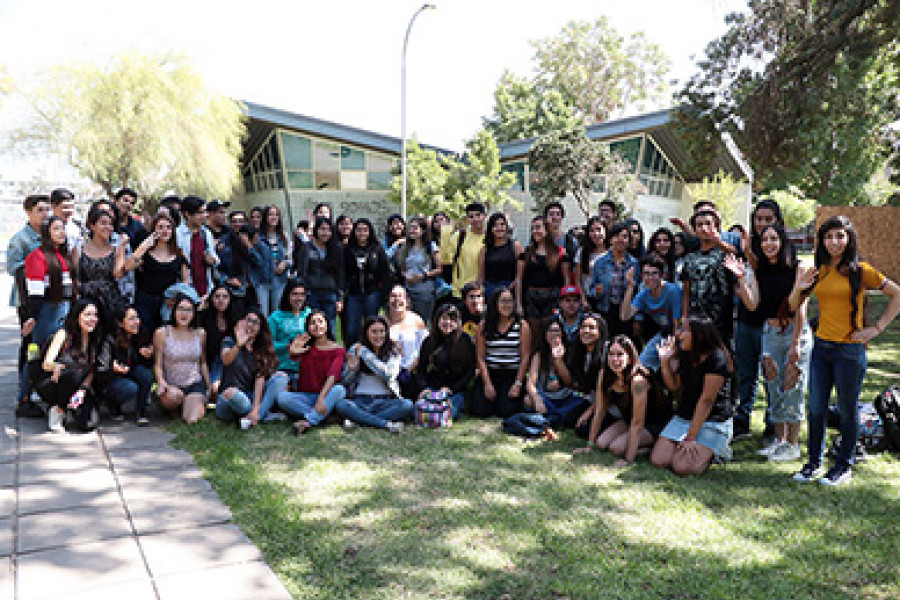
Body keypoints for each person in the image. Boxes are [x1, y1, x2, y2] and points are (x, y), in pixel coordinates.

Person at [788, 216, 900, 485]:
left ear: (849, 239)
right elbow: (793, 306)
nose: (834, 242)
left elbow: (898, 294)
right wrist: (798, 287)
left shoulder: (861, 270)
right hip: (821, 348)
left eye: (840, 236)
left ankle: (843, 466)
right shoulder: (818, 271)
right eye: (829, 237)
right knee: (816, 408)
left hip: (849, 351)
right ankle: (813, 463)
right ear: (822, 241)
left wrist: (876, 329)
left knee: (848, 410)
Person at [738, 224, 811, 461]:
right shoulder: (759, 270)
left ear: (783, 241)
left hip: (793, 331)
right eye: (764, 240)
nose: (768, 244)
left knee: (793, 385)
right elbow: (752, 305)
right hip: (769, 331)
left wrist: (795, 343)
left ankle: (793, 443)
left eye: (773, 239)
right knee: (773, 386)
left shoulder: (798, 268)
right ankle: (780, 441)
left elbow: (800, 308)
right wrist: (741, 280)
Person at [733, 199, 790, 441]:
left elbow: (763, 270)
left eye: (768, 219)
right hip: (746, 320)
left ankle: (772, 424)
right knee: (746, 375)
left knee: (771, 376)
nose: (762, 224)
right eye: (758, 219)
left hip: (771, 324)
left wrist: (747, 252)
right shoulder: (746, 244)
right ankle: (742, 420)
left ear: (778, 221)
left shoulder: (778, 247)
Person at [651, 316, 736, 475]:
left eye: (683, 330)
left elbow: (707, 400)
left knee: (682, 468)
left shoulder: (717, 358)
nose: (678, 334)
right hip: (686, 415)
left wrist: (691, 437)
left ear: (700, 335)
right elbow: (674, 387)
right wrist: (665, 363)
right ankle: (697, 450)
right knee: (659, 460)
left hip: (712, 419)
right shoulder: (685, 354)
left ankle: (719, 451)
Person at [574, 335, 671, 465]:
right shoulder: (604, 374)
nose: (615, 359)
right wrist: (589, 446)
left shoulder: (638, 381)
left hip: (652, 423)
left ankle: (650, 449)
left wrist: (627, 459)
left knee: (616, 448)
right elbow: (600, 411)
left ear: (629, 358)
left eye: (620, 354)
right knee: (601, 443)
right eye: (611, 354)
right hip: (628, 421)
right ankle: (634, 445)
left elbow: (638, 422)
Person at [21, 217, 76, 408]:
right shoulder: (37, 256)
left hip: (64, 308)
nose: (62, 232)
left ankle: (49, 393)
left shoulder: (63, 254)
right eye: (56, 229)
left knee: (57, 354)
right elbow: (35, 292)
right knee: (37, 354)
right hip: (46, 311)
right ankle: (25, 397)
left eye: (63, 228)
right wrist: (32, 317)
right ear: (47, 232)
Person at [8, 194, 50, 416]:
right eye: (39, 210)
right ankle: (24, 393)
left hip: (46, 300)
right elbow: (13, 267)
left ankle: (39, 385)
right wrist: (35, 265)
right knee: (30, 345)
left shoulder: (49, 235)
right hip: (27, 301)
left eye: (46, 210)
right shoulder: (21, 239)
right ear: (28, 212)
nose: (44, 214)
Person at [337, 315, 414, 432]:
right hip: (360, 400)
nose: (379, 336)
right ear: (366, 333)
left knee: (407, 405)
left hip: (385, 400)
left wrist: (365, 354)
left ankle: (359, 420)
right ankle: (386, 424)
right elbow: (345, 381)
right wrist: (351, 370)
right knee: (341, 404)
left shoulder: (393, 349)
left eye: (382, 331)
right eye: (374, 332)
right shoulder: (356, 348)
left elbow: (389, 375)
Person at [276, 310, 347, 434]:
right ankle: (324, 416)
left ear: (327, 325)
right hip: (306, 396)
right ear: (308, 327)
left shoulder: (338, 350)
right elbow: (291, 360)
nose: (317, 325)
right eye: (312, 323)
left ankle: (309, 421)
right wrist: (293, 350)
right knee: (282, 398)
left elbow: (332, 376)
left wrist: (321, 399)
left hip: (327, 395)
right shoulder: (305, 346)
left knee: (339, 389)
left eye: (320, 321)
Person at [41, 299, 102, 432]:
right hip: (57, 382)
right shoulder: (64, 334)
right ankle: (58, 409)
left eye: (95, 315)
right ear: (77, 316)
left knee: (89, 424)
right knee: (73, 374)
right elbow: (46, 363)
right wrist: (57, 366)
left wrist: (83, 390)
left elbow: (93, 369)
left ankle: (72, 409)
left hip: (80, 386)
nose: (92, 319)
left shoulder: (95, 338)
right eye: (88, 315)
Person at [679, 209, 739, 344]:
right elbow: (686, 291)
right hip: (695, 319)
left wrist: (718, 241)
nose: (704, 228)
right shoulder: (690, 258)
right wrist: (684, 318)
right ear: (695, 230)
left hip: (721, 320)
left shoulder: (725, 253)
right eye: (699, 225)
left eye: (708, 224)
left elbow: (735, 253)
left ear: (716, 226)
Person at [216, 308, 282, 426]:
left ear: (260, 328)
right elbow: (226, 360)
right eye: (248, 320)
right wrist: (238, 345)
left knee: (281, 377)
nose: (251, 325)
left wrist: (256, 408)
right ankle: (261, 414)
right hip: (229, 398)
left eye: (255, 322)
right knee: (234, 395)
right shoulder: (229, 341)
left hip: (250, 396)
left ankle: (256, 415)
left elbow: (259, 380)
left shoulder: (261, 349)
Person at [472, 287, 531, 418]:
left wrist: (518, 383)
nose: (507, 305)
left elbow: (525, 357)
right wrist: (487, 383)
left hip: (511, 374)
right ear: (495, 303)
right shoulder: (484, 326)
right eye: (503, 301)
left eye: (510, 301)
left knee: (507, 411)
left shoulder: (522, 325)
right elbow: (480, 357)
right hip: (490, 372)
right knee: (480, 410)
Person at [520, 319, 587, 436]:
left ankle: (552, 418)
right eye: (550, 331)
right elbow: (530, 383)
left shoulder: (569, 353)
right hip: (546, 398)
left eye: (557, 331)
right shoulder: (539, 355)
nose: (554, 334)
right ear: (545, 334)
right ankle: (557, 418)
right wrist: (537, 400)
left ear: (562, 334)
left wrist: (558, 360)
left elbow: (569, 382)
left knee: (582, 403)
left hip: (566, 399)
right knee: (528, 400)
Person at [153, 293, 210, 424]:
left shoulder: (200, 333)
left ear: (194, 313)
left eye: (189, 310)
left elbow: (203, 362)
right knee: (173, 397)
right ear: (174, 311)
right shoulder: (162, 333)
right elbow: (158, 364)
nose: (184, 314)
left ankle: (189, 405)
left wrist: (208, 387)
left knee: (192, 420)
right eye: (181, 309)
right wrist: (161, 382)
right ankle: (175, 407)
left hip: (194, 383)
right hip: (172, 385)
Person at [620, 254, 683, 371]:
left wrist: (675, 352)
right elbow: (625, 316)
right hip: (665, 334)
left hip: (681, 335)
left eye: (654, 273)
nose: (650, 278)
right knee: (641, 365)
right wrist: (630, 286)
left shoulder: (673, 291)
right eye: (646, 274)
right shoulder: (644, 294)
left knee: (674, 368)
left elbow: (677, 325)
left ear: (662, 275)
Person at [415, 303, 476, 420]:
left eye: (452, 319)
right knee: (420, 411)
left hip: (455, 391)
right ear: (437, 320)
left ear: (458, 322)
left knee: (448, 413)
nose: (447, 322)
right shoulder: (429, 341)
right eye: (444, 318)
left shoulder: (465, 341)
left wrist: (452, 388)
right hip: (432, 388)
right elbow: (420, 369)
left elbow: (470, 371)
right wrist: (424, 388)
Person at [95, 305, 154, 425]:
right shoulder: (109, 340)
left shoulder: (141, 333)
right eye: (131, 319)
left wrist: (148, 356)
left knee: (145, 375)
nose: (137, 322)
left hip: (131, 371)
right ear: (120, 323)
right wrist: (113, 369)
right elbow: (101, 370)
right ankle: (113, 405)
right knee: (130, 387)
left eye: (137, 318)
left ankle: (141, 411)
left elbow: (146, 364)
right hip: (111, 379)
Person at [515, 216, 570, 337]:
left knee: (550, 333)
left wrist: (565, 301)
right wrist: (518, 304)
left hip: (553, 296)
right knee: (533, 334)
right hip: (532, 297)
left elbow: (566, 279)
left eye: (538, 227)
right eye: (532, 228)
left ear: (547, 229)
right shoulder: (526, 253)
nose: (535, 231)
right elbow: (519, 279)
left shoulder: (560, 252)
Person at [134, 213, 190, 334]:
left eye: (168, 227)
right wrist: (143, 247)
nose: (165, 231)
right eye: (160, 227)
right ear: (154, 230)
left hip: (168, 301)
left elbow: (186, 280)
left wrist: (178, 297)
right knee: (144, 334)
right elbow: (128, 267)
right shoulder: (146, 252)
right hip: (146, 300)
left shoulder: (179, 253)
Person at [74, 206, 128, 323]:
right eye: (103, 223)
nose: (108, 227)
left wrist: (122, 246)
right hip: (87, 301)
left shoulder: (115, 250)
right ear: (92, 226)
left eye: (110, 224)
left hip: (110, 302)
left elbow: (118, 274)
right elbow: (75, 277)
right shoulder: (79, 249)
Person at [343, 218, 390, 347]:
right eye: (359, 230)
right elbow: (343, 271)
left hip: (372, 293)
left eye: (365, 230)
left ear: (370, 232)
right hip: (354, 293)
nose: (362, 233)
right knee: (352, 328)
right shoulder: (348, 249)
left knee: (371, 325)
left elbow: (385, 272)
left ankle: (371, 350)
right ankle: (352, 352)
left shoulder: (377, 249)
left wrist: (385, 293)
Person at [294, 217, 344, 329]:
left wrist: (340, 298)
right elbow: (302, 271)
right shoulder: (307, 248)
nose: (325, 233)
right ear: (316, 230)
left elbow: (340, 274)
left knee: (330, 328)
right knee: (313, 327)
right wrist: (302, 292)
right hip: (312, 293)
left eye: (328, 230)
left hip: (330, 293)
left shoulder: (336, 248)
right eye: (322, 229)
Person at [590, 222, 639, 338]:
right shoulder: (600, 262)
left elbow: (638, 292)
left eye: (624, 236)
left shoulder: (634, 263)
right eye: (616, 236)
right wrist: (597, 292)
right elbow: (591, 289)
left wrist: (638, 318)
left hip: (626, 311)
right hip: (605, 310)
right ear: (610, 239)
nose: (620, 240)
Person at [569, 313, 608, 437]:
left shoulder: (607, 352)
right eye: (583, 327)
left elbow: (608, 393)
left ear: (600, 331)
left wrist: (589, 412)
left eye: (591, 328)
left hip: (608, 402)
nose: (586, 331)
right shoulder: (581, 351)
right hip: (592, 399)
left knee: (583, 430)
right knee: (569, 419)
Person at [395, 216, 441, 322]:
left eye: (415, 228)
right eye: (410, 228)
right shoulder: (406, 247)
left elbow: (439, 269)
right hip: (408, 291)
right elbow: (402, 268)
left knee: (422, 322)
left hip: (425, 292)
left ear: (423, 230)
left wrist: (422, 276)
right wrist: (406, 275)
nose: (412, 231)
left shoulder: (431, 246)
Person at [387, 285, 428, 400]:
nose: (397, 300)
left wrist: (411, 366)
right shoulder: (382, 321)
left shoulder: (416, 320)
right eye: (393, 296)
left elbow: (425, 346)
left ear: (407, 301)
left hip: (412, 370)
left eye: (400, 296)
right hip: (389, 371)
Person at [268, 280, 313, 383]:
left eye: (302, 294)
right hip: (282, 368)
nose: (299, 298)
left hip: (306, 367)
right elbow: (267, 344)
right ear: (287, 295)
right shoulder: (275, 317)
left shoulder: (309, 313)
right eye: (295, 294)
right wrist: (288, 345)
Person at [440, 202, 486, 300]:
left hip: (482, 292)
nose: (475, 219)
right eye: (471, 216)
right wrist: (445, 233)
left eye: (478, 215)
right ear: (467, 219)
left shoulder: (489, 238)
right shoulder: (460, 236)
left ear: (484, 216)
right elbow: (445, 260)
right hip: (460, 291)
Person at [198, 284, 236, 400]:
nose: (221, 300)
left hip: (230, 361)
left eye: (225, 297)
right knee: (214, 389)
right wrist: (199, 309)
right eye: (217, 296)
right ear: (211, 299)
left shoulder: (236, 318)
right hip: (209, 361)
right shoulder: (204, 317)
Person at [175, 196, 218, 298]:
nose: (204, 216)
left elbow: (214, 258)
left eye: (205, 212)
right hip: (185, 289)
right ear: (187, 214)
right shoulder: (177, 234)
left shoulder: (206, 233)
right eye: (200, 213)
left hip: (207, 288)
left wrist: (212, 260)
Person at [478, 212, 523, 302]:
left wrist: (512, 288)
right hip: (489, 290)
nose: (499, 228)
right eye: (495, 225)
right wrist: (481, 291)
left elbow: (520, 276)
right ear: (491, 229)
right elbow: (481, 275)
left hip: (509, 290)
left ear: (506, 227)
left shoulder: (516, 246)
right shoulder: (485, 249)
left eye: (502, 224)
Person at [256, 205, 291, 315]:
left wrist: (285, 263)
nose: (274, 217)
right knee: (263, 313)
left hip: (279, 279)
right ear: (265, 217)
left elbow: (291, 258)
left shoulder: (283, 236)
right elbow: (254, 258)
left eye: (276, 215)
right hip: (262, 280)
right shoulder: (258, 237)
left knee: (277, 312)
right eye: (270, 215)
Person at [573, 216, 606, 309]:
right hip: (589, 298)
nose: (596, 234)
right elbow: (578, 280)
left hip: (608, 300)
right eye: (592, 230)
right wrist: (583, 300)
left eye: (599, 229)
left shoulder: (612, 251)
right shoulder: (582, 252)